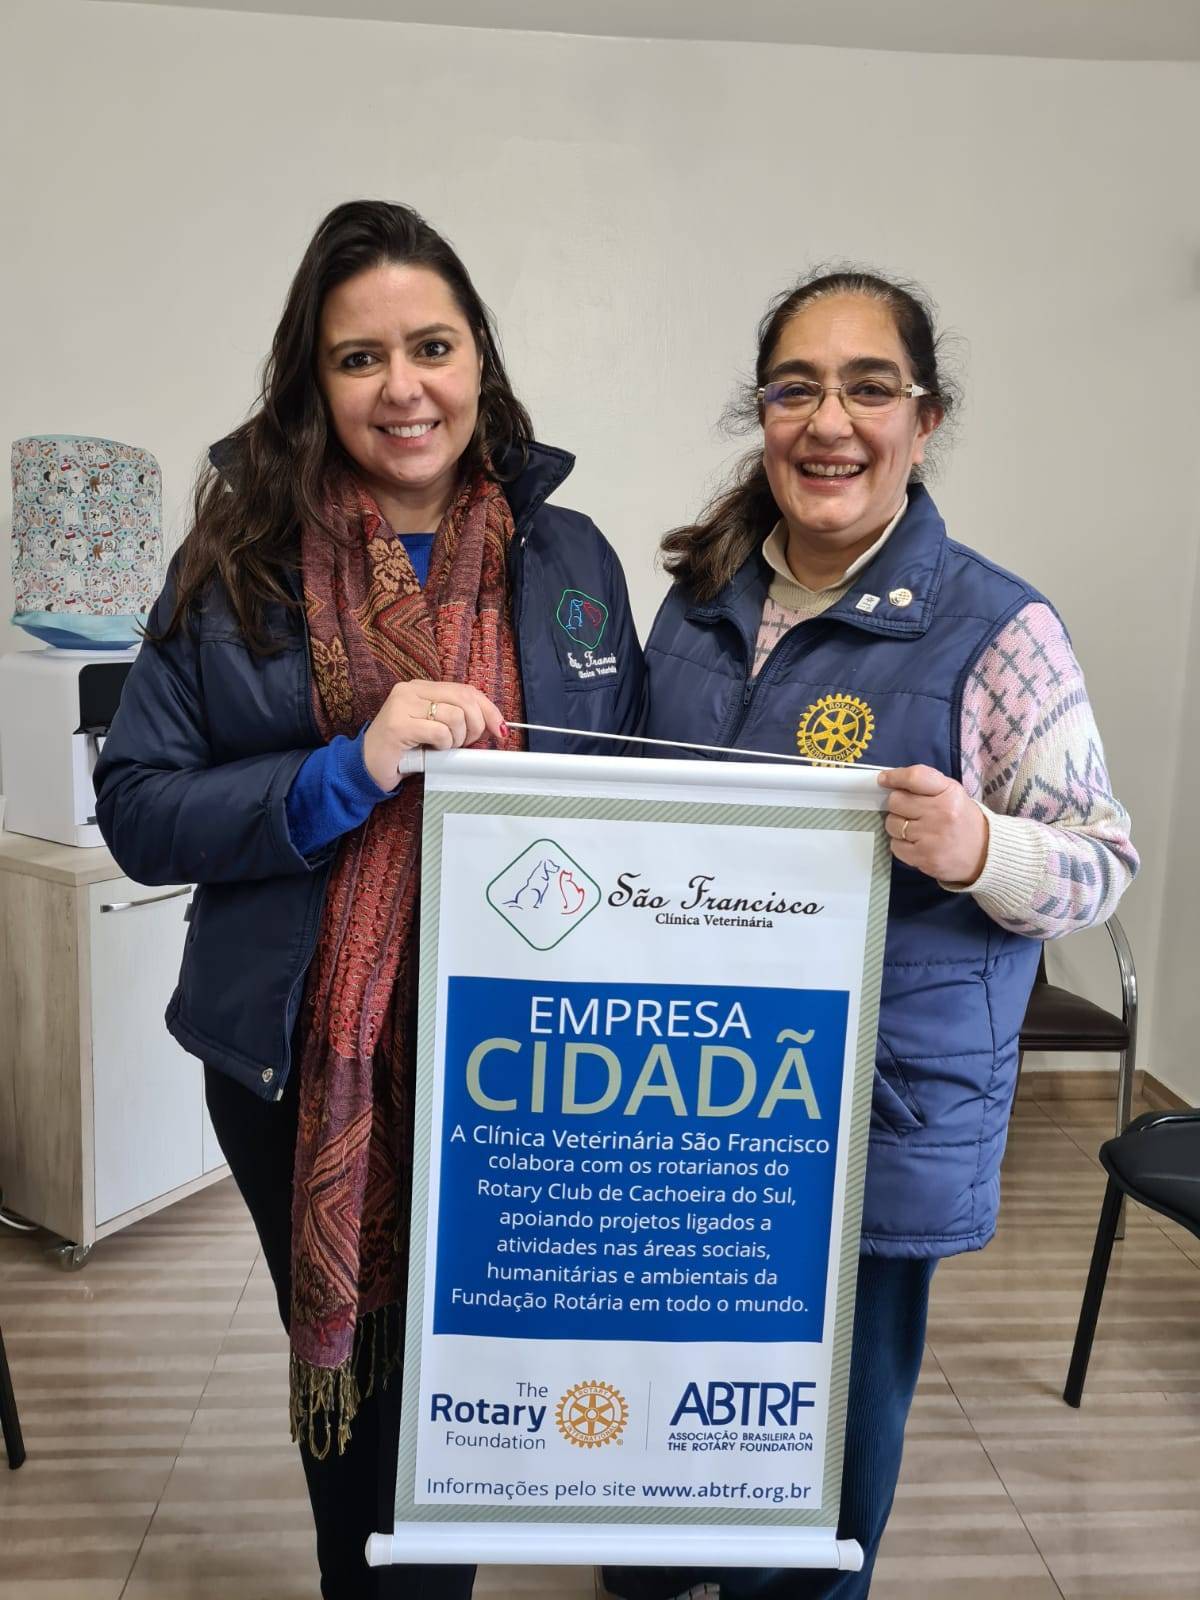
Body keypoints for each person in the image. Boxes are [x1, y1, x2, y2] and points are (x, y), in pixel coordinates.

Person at [95, 199, 644, 1600]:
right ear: (313, 380)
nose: (404, 388)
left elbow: (633, 790)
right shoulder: (237, 565)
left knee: (482, 1381)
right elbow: (141, 809)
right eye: (360, 357)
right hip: (299, 1065)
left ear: (479, 360)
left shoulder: (571, 557)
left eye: (432, 346)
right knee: (366, 1422)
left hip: (527, 1065)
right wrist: (346, 768)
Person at [603, 270, 1137, 1600]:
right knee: (669, 1386)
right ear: (762, 415)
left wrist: (981, 848)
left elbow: (1102, 865)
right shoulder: (700, 600)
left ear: (924, 418)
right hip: (678, 1089)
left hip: (866, 1112)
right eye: (796, 389)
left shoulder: (1001, 629)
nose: (828, 420)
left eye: (868, 387)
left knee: (822, 1443)